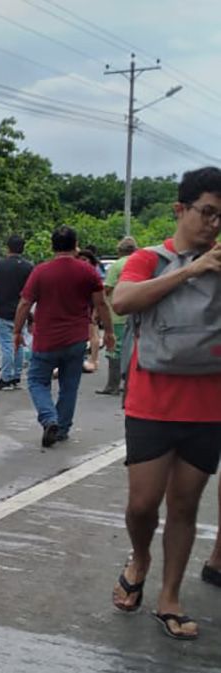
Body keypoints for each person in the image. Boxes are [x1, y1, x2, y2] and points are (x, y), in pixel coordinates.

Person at [110, 166, 221, 640]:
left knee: (184, 506)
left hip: (207, 406)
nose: (213, 224)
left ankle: (169, 596)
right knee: (142, 504)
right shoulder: (150, 260)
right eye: (207, 213)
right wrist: (191, 269)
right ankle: (140, 557)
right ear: (181, 209)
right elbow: (122, 301)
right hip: (151, 403)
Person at [12, 226, 115, 448]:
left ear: (52, 246)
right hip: (76, 339)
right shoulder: (87, 271)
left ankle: (49, 418)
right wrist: (110, 332)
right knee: (69, 386)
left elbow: (25, 303)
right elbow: (101, 303)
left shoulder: (41, 271)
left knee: (37, 381)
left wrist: (17, 331)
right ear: (75, 245)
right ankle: (62, 429)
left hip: (46, 339)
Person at [0, 235, 33, 390]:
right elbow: (30, 290)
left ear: (8, 248)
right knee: (18, 343)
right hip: (21, 310)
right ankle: (16, 377)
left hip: (3, 310)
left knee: (6, 345)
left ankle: (6, 378)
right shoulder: (28, 266)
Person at [96, 237, 138, 395]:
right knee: (133, 349)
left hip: (118, 314)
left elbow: (107, 289)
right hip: (137, 313)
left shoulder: (117, 266)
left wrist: (97, 310)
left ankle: (112, 385)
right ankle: (130, 384)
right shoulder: (140, 263)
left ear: (119, 251)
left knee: (114, 348)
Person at [77, 249, 103, 374]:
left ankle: (94, 360)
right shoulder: (80, 273)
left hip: (91, 306)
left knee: (93, 334)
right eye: (80, 259)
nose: (82, 262)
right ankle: (87, 360)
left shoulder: (93, 274)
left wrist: (96, 311)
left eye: (85, 259)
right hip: (82, 307)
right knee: (87, 335)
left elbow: (99, 297)